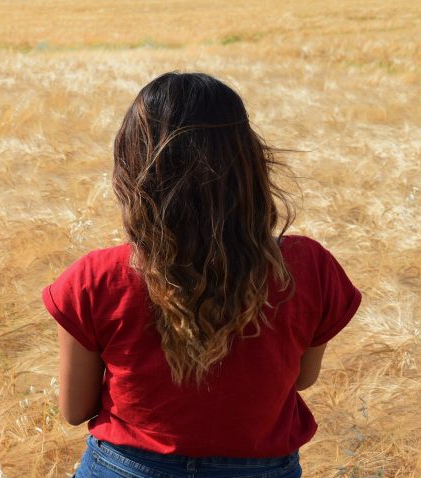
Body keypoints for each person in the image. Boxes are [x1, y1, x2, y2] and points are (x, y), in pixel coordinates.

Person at [42, 72, 362, 478]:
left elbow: (75, 410)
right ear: (248, 162)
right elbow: (301, 379)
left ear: (132, 168)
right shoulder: (308, 267)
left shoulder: (94, 278)